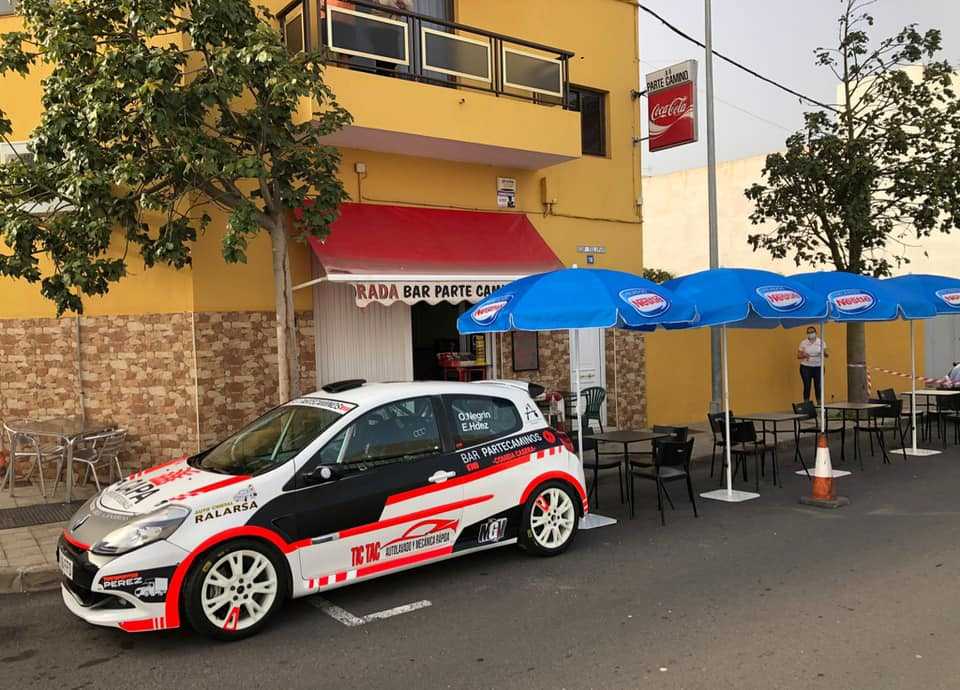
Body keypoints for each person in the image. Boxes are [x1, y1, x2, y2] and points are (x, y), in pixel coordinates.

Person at [797, 326, 828, 403]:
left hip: (818, 367)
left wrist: (823, 353)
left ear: (816, 333)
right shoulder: (803, 343)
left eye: (812, 332)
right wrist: (804, 355)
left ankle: (819, 404)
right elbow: (798, 356)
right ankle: (806, 403)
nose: (810, 334)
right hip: (806, 367)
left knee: (818, 386)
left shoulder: (821, 342)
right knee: (807, 385)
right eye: (808, 332)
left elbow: (826, 354)